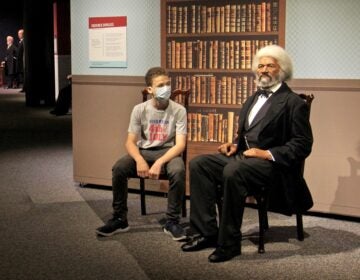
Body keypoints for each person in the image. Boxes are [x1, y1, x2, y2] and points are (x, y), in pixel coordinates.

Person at [181, 45, 313, 262]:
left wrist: (267, 153)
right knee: (200, 164)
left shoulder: (293, 102)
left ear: (282, 69)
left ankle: (229, 243)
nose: (263, 70)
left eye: (270, 65)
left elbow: (303, 144)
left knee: (234, 170)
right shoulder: (252, 98)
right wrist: (235, 145)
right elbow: (248, 134)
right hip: (245, 158)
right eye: (260, 65)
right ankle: (206, 233)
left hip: (274, 166)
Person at [96, 67, 188, 241]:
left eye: (168, 84)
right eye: (161, 85)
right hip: (144, 151)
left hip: (168, 152)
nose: (166, 88)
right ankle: (119, 218)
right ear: (150, 89)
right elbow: (130, 142)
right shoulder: (139, 109)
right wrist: (139, 159)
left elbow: (180, 144)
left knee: (178, 170)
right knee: (119, 168)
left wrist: (160, 162)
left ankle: (172, 221)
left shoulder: (179, 110)